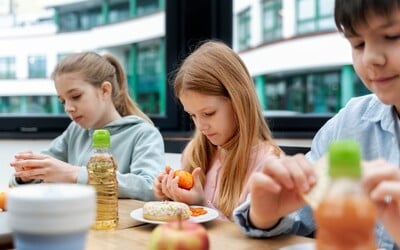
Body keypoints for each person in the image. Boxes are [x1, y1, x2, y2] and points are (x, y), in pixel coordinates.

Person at [233, 0, 400, 248]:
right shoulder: (348, 125)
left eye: (392, 36)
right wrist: (265, 215)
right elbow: (297, 215)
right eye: (358, 44)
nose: (370, 59)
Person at [152, 40, 282, 221]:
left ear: (238, 101)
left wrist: (201, 204)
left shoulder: (268, 166)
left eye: (208, 113)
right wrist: (172, 196)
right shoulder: (194, 153)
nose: (200, 126)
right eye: (193, 116)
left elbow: (254, 238)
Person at [9, 52, 165, 201]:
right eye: (63, 101)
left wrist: (75, 174)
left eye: (75, 96)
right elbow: (33, 176)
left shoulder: (143, 134)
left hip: (118, 226)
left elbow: (151, 187)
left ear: (105, 90)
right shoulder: (75, 131)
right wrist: (27, 175)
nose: (68, 108)